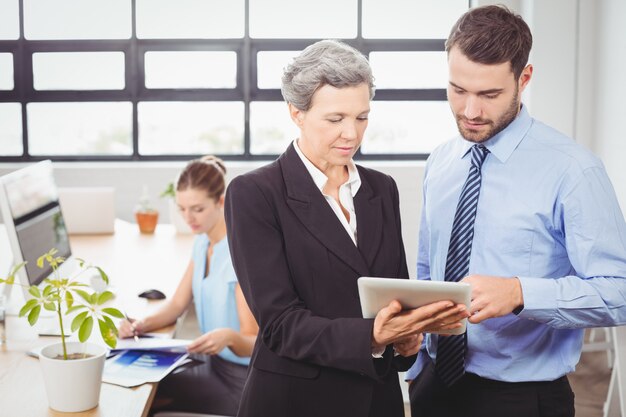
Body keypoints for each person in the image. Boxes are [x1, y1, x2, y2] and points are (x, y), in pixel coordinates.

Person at [224, 39, 468, 417]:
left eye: (362, 117)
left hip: (375, 399)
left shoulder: (380, 189)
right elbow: (280, 325)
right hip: (295, 401)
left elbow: (394, 293)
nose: (351, 134)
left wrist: (407, 338)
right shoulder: (254, 194)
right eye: (335, 119)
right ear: (296, 113)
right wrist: (372, 336)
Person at [406, 5, 626, 417]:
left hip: (522, 398)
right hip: (435, 387)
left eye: (489, 95)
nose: (470, 111)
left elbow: (620, 289)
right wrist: (417, 367)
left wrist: (522, 293)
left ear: (524, 79)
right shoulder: (442, 161)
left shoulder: (573, 170)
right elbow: (428, 270)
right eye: (457, 90)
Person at [119, 156, 258, 416]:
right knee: (137, 380)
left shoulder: (240, 255)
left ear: (221, 202)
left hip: (240, 380)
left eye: (197, 209)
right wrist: (142, 324)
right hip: (210, 363)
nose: (188, 217)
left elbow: (255, 341)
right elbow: (177, 304)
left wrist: (227, 336)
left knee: (146, 394)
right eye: (182, 208)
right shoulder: (203, 241)